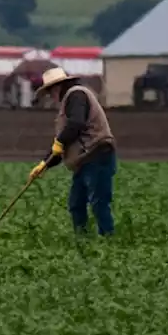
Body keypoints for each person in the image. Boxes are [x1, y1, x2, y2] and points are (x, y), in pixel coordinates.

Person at [27, 67, 117, 235]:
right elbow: (63, 144)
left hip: (97, 154)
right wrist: (44, 164)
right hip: (84, 160)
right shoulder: (68, 102)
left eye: (50, 91)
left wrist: (60, 142)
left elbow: (76, 125)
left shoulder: (76, 95)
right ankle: (82, 240)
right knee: (76, 203)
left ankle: (108, 238)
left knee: (99, 202)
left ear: (58, 87)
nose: (51, 97)